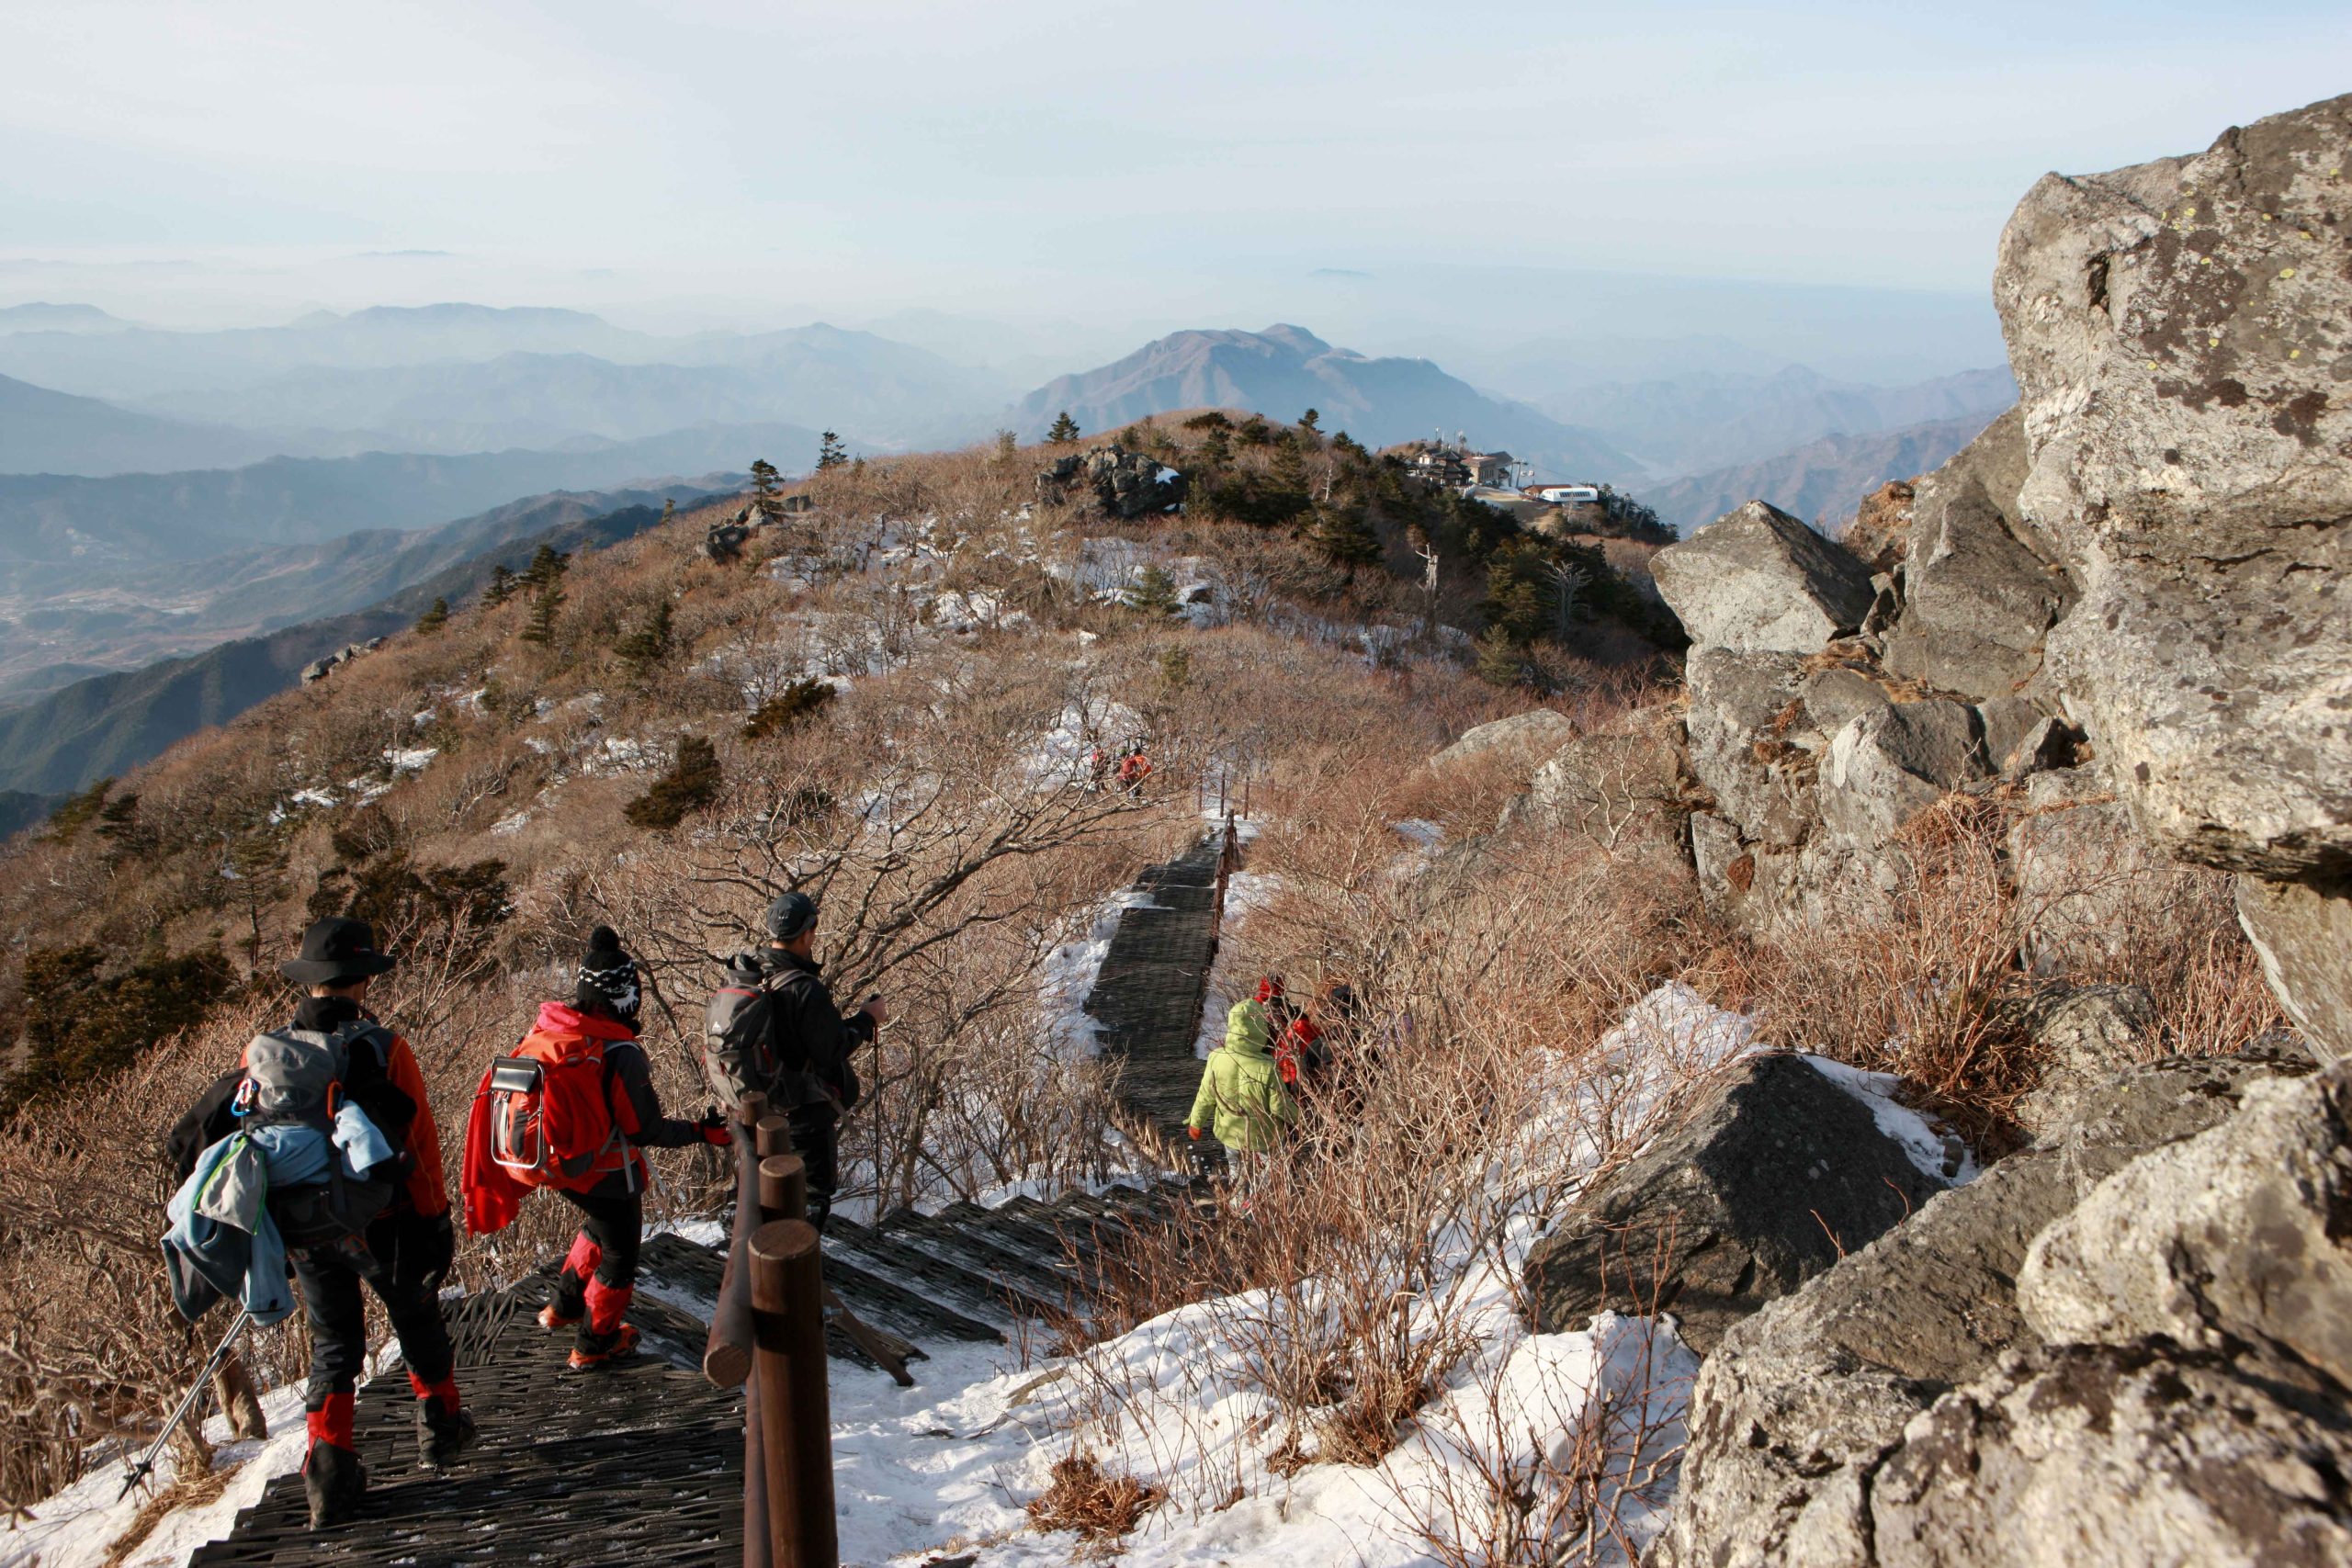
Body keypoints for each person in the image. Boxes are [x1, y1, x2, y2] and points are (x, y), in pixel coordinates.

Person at [168, 917, 473, 1530]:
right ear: (363, 980)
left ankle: (329, 1472)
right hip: (381, 1219)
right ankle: (440, 1426)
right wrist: (436, 1221)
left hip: (301, 1229)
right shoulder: (385, 1048)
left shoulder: (268, 1054)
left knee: (334, 1340)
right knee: (414, 1314)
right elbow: (420, 1144)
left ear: (309, 982)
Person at [516, 929, 732, 1368]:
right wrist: (701, 1132)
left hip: (561, 1165)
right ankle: (596, 1343)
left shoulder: (556, 1030)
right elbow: (644, 1129)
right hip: (606, 1173)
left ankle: (562, 1307)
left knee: (600, 1227)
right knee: (619, 1257)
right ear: (623, 997)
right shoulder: (618, 1050)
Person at [703, 891, 885, 1231]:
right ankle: (792, 1271)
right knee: (810, 1197)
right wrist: (867, 1019)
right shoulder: (804, 988)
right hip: (802, 1112)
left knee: (754, 1191)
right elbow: (830, 1049)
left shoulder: (750, 976)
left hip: (753, 1108)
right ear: (807, 933)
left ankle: (745, 1262)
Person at [1186, 978, 1297, 1174]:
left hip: (1230, 1133)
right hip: (1263, 1136)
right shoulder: (1267, 1066)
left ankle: (1239, 1201)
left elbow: (1205, 1095)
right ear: (1260, 1028)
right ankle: (1258, 1200)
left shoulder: (1216, 1057)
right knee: (1273, 1171)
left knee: (1237, 1172)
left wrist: (1196, 1122)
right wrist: (1301, 1121)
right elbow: (1279, 1106)